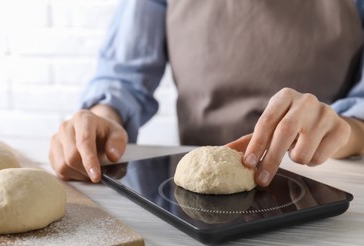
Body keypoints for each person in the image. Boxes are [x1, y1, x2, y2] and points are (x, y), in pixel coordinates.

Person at [49, 0, 364, 187]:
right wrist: (102, 118)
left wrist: (345, 129)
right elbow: (125, 76)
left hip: (329, 177)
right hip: (194, 197)